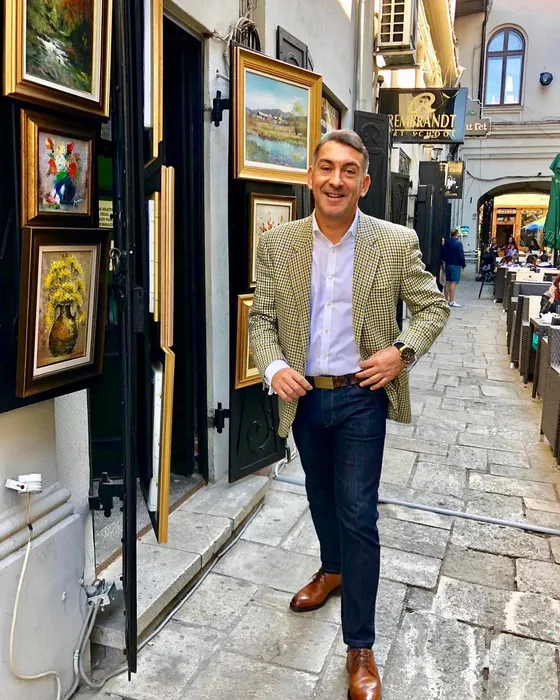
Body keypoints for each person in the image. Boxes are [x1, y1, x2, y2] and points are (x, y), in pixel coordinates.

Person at [248, 130, 449, 700]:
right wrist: (273, 368)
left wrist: (401, 352)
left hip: (362, 394)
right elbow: (261, 319)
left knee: (358, 512)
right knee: (318, 496)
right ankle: (332, 569)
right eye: (326, 168)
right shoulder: (278, 244)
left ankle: (359, 645)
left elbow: (432, 307)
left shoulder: (395, 242)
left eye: (349, 171)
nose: (335, 180)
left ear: (364, 183)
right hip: (304, 394)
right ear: (310, 175)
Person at [441, 228, 466, 307]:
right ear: (457, 234)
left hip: (447, 264)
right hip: (456, 264)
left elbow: (443, 252)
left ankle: (446, 300)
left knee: (447, 281)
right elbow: (461, 255)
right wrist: (463, 264)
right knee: (454, 282)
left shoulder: (446, 243)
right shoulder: (458, 244)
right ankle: (451, 301)